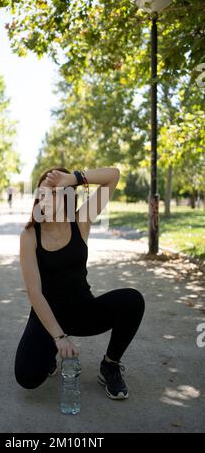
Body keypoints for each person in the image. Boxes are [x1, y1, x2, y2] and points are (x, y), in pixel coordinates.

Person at [15, 166, 145, 400]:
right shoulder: (30, 235)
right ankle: (50, 353)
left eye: (55, 191)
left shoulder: (80, 221)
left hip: (83, 310)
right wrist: (59, 337)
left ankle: (110, 365)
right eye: (43, 191)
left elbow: (113, 176)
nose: (47, 196)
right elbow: (34, 292)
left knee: (132, 300)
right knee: (27, 378)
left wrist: (74, 178)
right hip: (47, 318)